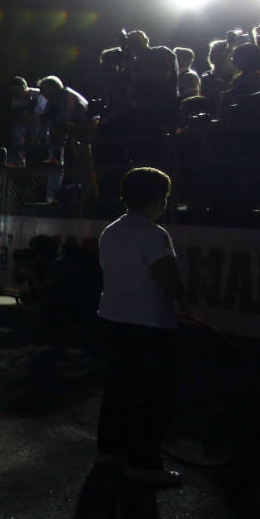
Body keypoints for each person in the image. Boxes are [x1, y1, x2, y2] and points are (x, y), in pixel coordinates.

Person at [94, 167, 185, 489]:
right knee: (155, 396)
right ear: (158, 198)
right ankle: (144, 463)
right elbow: (170, 282)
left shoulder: (112, 231)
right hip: (148, 324)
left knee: (119, 391)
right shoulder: (153, 234)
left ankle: (110, 451)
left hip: (114, 319)